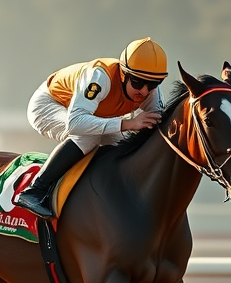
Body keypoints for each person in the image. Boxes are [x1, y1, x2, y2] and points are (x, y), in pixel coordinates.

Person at [15, 37, 168, 219]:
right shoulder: (100, 77)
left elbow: (158, 125)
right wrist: (127, 123)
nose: (143, 91)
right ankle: (34, 190)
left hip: (88, 114)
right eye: (137, 82)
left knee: (124, 143)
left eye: (152, 85)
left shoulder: (148, 90)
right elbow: (76, 123)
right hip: (50, 105)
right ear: (123, 74)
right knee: (88, 136)